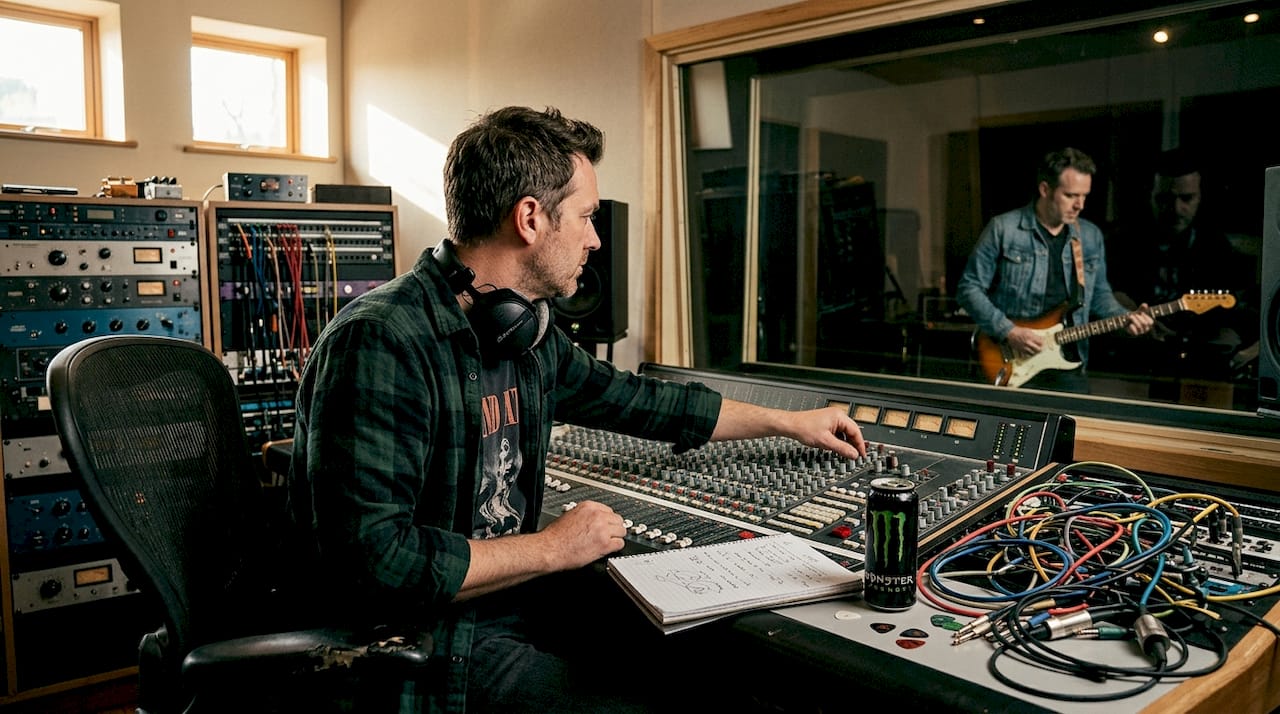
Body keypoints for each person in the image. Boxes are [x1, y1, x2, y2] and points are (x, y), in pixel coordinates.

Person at [285, 105, 869, 714]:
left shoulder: (521, 332)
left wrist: (791, 422)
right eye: (587, 216)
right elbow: (378, 564)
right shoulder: (383, 342)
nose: (594, 238)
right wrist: (552, 548)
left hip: (512, 609)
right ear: (531, 218)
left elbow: (639, 400)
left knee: (724, 680)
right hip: (430, 648)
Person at [955, 147, 1154, 393]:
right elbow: (968, 289)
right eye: (1071, 195)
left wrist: (1126, 317)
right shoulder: (1003, 229)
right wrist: (1009, 331)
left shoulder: (1089, 236)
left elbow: (1099, 295)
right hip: (1011, 359)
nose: (1080, 205)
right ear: (1045, 190)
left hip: (1069, 362)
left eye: (1084, 196)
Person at [1104, 148, 1254, 389]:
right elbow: (1107, 293)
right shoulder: (1123, 241)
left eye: (1186, 199)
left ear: (1200, 196)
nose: (1175, 209)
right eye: (1164, 199)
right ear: (1150, 195)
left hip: (1196, 365)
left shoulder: (1215, 246)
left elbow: (1232, 309)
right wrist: (1133, 317)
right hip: (1131, 363)